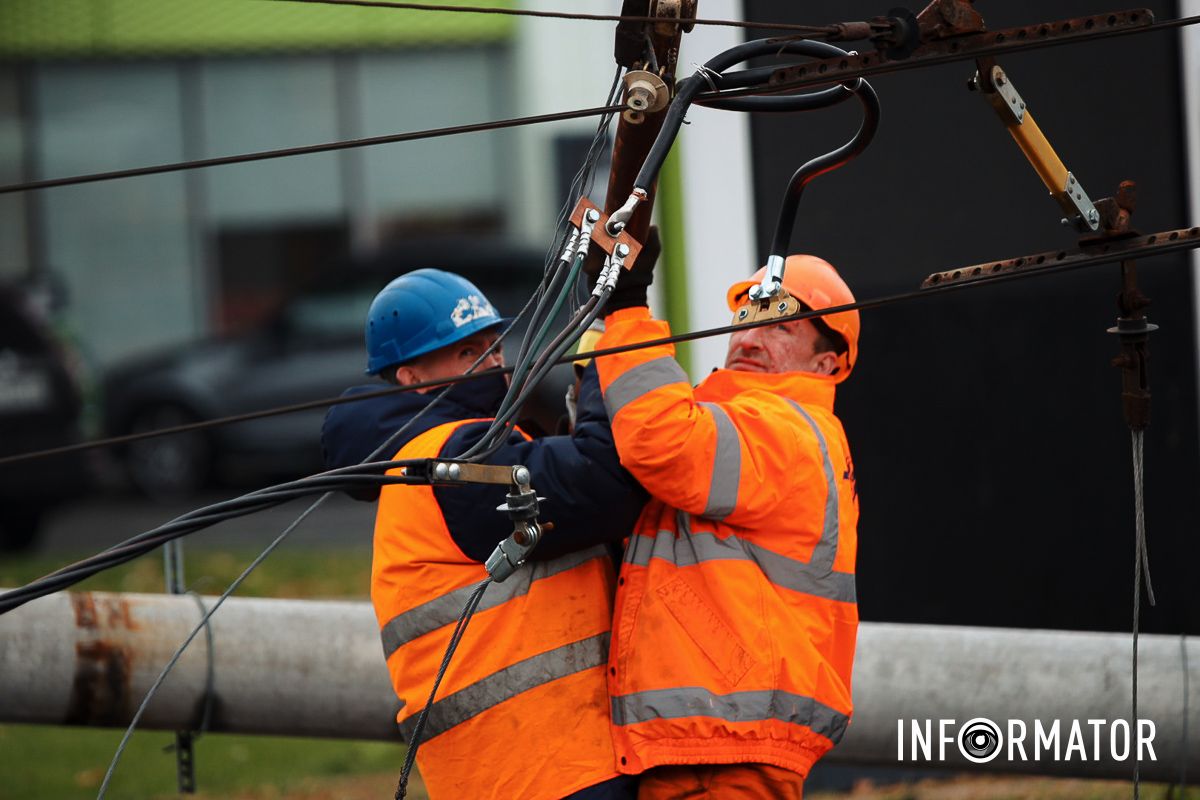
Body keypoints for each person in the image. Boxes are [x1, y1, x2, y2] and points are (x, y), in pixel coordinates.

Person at [321, 268, 647, 800]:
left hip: (525, 767)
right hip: (544, 769)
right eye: (467, 353)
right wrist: (604, 368)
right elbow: (604, 484)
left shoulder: (448, 454)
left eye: (493, 345)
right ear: (409, 377)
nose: (494, 362)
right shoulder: (453, 461)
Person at [592, 254, 861, 799]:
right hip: (711, 739)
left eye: (781, 326)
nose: (750, 337)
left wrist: (626, 314)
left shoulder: (789, 430)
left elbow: (662, 442)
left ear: (827, 366)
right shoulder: (751, 424)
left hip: (728, 748)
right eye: (747, 318)